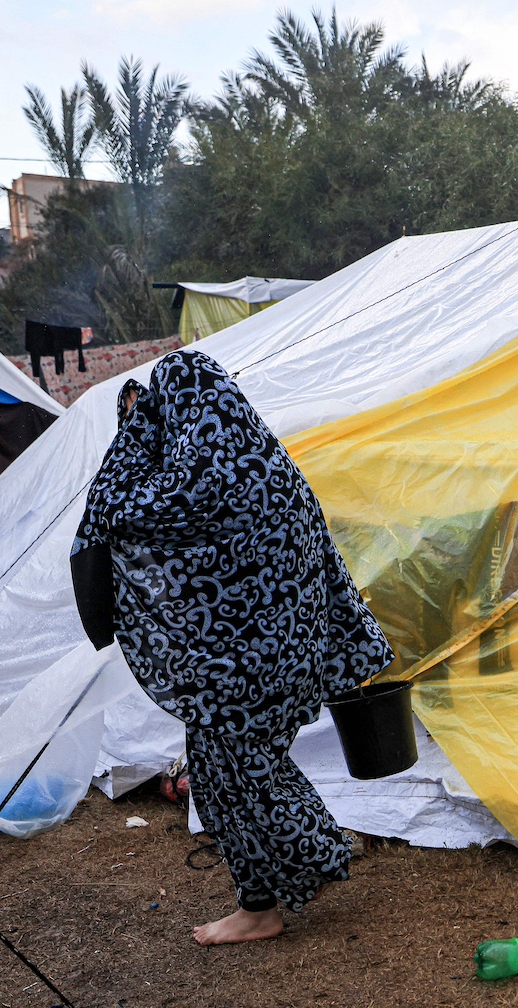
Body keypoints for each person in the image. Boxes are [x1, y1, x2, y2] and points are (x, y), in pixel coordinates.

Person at [72, 351, 393, 946]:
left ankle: (302, 866)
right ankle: (265, 898)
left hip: (235, 670)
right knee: (230, 773)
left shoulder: (193, 485)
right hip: (290, 654)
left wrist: (134, 432)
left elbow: (113, 510)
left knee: (235, 777)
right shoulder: (269, 463)